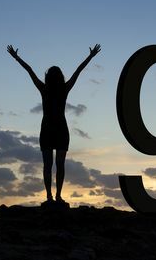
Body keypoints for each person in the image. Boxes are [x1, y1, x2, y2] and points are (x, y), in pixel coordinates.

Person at [7, 44, 101, 204]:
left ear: (48, 77)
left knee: (48, 165)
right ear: (60, 77)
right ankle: (56, 196)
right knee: (59, 165)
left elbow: (29, 70)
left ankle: (51, 196)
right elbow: (78, 71)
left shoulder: (44, 88)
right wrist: (90, 56)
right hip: (59, 129)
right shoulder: (63, 88)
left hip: (48, 129)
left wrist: (16, 58)